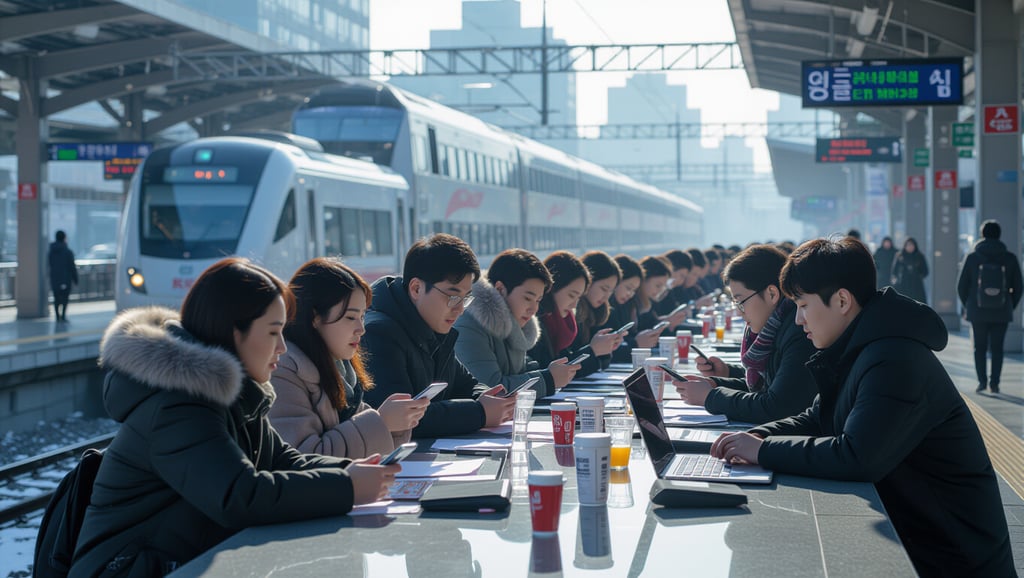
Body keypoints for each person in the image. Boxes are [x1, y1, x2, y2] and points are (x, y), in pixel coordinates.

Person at [71, 258, 397, 577]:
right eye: (273, 332)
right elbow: (239, 496)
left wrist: (357, 472)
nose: (283, 347)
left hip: (181, 560)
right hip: (130, 568)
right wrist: (347, 487)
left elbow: (284, 460)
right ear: (234, 333)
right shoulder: (178, 405)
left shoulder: (237, 395)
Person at [710, 237, 1015, 577]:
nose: (797, 320)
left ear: (842, 300)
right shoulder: (859, 344)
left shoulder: (896, 359)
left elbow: (858, 456)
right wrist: (754, 437)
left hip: (955, 558)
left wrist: (763, 451)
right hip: (918, 538)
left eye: (803, 305)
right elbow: (817, 417)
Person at [270, 258, 429, 458]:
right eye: (350, 317)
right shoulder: (283, 371)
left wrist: (395, 425)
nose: (361, 329)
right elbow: (305, 458)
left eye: (362, 316)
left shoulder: (342, 370)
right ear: (314, 317)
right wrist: (382, 422)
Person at [362, 234, 515, 438]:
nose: (460, 309)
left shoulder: (433, 324)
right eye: (452, 297)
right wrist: (480, 413)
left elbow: (466, 384)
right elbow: (406, 417)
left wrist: (488, 398)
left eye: (465, 298)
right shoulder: (378, 333)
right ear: (416, 288)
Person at [670, 244, 817, 424]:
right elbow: (770, 385)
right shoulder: (778, 326)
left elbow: (776, 406)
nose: (739, 312)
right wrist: (720, 379)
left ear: (772, 294)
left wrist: (710, 397)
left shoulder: (798, 332)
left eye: (740, 302)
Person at [454, 248, 575, 395]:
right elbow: (491, 389)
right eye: (527, 298)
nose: (534, 309)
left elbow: (522, 370)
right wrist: (548, 379)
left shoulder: (515, 324)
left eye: (538, 300)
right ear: (500, 289)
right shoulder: (469, 325)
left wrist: (553, 372)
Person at [957, 220, 1024, 393]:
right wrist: (1010, 304)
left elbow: (961, 286)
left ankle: (981, 382)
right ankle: (995, 383)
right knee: (997, 348)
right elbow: (1019, 287)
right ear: (999, 235)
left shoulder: (972, 257)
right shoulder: (1010, 258)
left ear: (982, 234)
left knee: (979, 347)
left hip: (977, 311)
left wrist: (969, 304)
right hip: (1002, 311)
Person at [526, 251, 599, 391]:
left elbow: (564, 369)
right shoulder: (533, 321)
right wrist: (593, 351)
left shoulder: (562, 323)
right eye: (572, 295)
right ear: (553, 288)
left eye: (578, 298)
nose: (574, 305)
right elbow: (542, 369)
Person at [572, 251, 626, 372]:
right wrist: (593, 350)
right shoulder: (572, 312)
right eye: (604, 289)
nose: (606, 296)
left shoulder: (601, 313)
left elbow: (602, 364)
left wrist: (607, 349)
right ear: (588, 282)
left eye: (611, 291)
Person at [47, 230, 78, 322]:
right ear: (64, 238)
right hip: (66, 279)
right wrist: (75, 279)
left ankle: (57, 316)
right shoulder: (68, 252)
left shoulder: (51, 252)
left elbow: (50, 265)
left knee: (56, 298)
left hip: (54, 278)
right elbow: (72, 267)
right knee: (65, 298)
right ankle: (63, 316)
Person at [891, 237, 928, 303]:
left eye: (912, 245)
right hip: (903, 285)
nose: (910, 247)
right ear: (905, 246)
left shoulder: (920, 256)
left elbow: (925, 271)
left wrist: (918, 276)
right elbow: (894, 271)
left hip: (917, 286)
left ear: (915, 246)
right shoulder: (899, 256)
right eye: (908, 245)